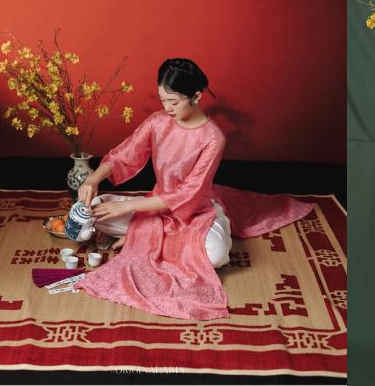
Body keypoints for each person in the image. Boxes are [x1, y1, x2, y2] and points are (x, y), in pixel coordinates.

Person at [74, 58, 314, 320]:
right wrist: (93, 180)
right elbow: (125, 153)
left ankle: (143, 237)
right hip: (155, 206)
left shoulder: (213, 138)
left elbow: (188, 194)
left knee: (215, 255)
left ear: (196, 97)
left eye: (174, 101)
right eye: (162, 100)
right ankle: (151, 238)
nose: (167, 108)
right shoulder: (158, 122)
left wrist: (129, 206)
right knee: (94, 209)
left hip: (195, 212)